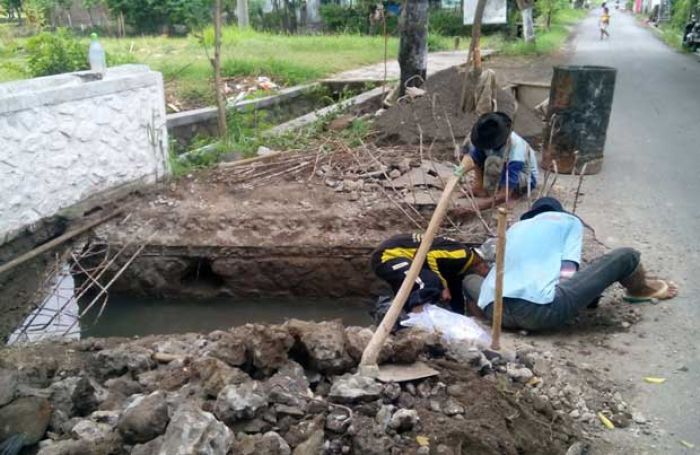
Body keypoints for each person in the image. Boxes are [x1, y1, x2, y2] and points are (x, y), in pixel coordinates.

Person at [467, 197, 677, 331]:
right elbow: (568, 271)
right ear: (558, 212)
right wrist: (587, 297)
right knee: (627, 255)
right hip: (539, 313)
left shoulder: (515, 228)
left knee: (470, 279)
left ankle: (476, 318)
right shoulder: (568, 222)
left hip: (494, 311)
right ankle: (640, 290)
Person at [370, 233, 489, 317]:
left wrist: (459, 316)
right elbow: (429, 255)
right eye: (488, 271)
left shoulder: (459, 267)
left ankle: (403, 319)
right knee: (428, 281)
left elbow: (455, 291)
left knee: (427, 285)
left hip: (404, 260)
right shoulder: (462, 253)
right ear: (482, 263)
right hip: (388, 255)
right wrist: (444, 286)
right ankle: (419, 319)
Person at [463, 112, 539, 211]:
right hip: (503, 170)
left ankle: (514, 195)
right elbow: (477, 160)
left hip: (525, 178)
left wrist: (475, 208)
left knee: (493, 162)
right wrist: (478, 185)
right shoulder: (484, 138)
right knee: (480, 153)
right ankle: (488, 190)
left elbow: (505, 194)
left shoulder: (516, 149)